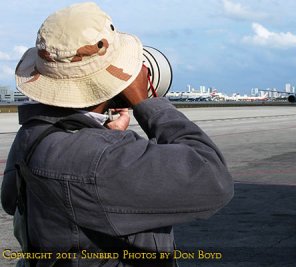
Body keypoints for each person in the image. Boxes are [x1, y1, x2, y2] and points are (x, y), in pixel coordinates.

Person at [1, 2, 234, 266]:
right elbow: (213, 180)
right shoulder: (102, 159)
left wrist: (101, 135)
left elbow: (12, 202)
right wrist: (146, 103)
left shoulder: (33, 134)